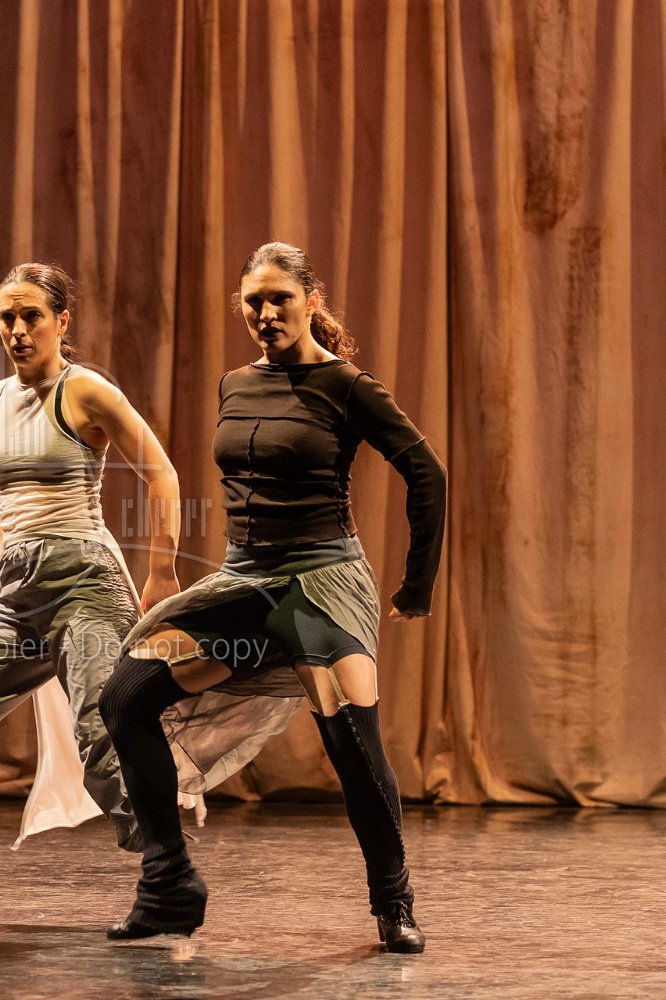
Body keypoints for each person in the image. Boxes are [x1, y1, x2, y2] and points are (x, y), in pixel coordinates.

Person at [98, 242, 447, 952]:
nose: (265, 313)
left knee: (350, 740)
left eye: (279, 299)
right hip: (246, 583)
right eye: (253, 302)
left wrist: (416, 585)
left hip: (321, 582)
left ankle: (394, 902)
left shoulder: (345, 385)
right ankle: (168, 884)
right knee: (126, 697)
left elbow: (427, 473)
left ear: (310, 302)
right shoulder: (235, 384)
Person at [0, 262, 182, 918]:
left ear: (61, 321)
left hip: (87, 586)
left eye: (32, 317)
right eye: (7, 318)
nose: (17, 330)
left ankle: (169, 871)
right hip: (22, 597)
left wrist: (162, 571)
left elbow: (162, 473)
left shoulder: (86, 391)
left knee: (104, 738)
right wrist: (6, 557)